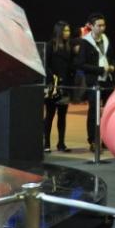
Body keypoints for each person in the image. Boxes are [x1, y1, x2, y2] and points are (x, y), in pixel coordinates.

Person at [77, 12, 115, 152]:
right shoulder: (85, 42)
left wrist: (112, 66)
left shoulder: (106, 39)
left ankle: (106, 139)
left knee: (108, 112)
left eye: (103, 25)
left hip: (108, 81)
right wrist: (100, 69)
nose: (102, 28)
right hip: (94, 81)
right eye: (99, 25)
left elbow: (112, 58)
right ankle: (93, 140)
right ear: (91, 26)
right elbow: (81, 64)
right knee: (94, 112)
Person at [43, 20, 74, 153]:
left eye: (69, 30)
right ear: (59, 31)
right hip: (53, 86)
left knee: (62, 115)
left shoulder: (69, 46)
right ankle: (46, 143)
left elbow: (71, 66)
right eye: (65, 30)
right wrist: (52, 78)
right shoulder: (50, 45)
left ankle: (61, 143)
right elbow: (45, 64)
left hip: (65, 86)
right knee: (50, 115)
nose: (68, 33)